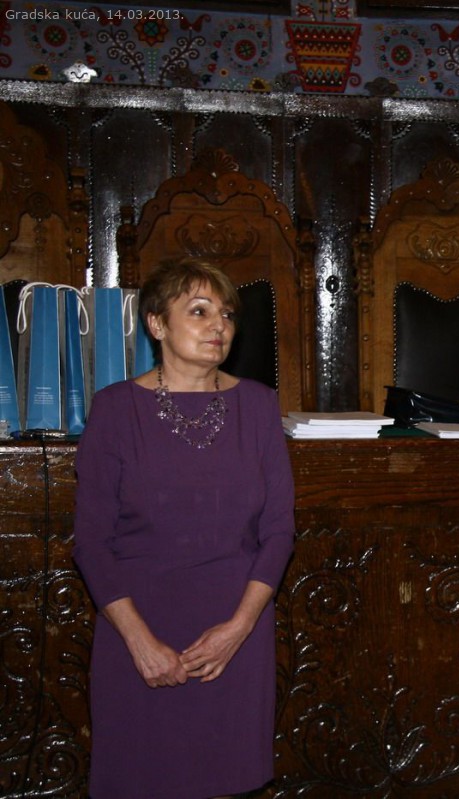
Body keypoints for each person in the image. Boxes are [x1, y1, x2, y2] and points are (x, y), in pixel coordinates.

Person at [73, 258, 295, 798]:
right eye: (199, 311)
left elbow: (278, 531)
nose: (219, 325)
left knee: (227, 781)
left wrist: (238, 629)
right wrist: (140, 641)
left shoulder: (258, 405)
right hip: (138, 628)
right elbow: (92, 543)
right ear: (156, 323)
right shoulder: (115, 409)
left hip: (235, 632)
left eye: (227, 314)